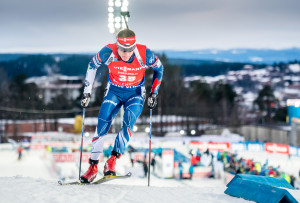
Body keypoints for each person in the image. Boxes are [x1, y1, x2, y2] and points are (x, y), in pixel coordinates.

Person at [79, 28, 164, 183]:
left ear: (134, 46)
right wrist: (87, 92)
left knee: (128, 122)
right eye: (123, 49)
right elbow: (92, 66)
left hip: (135, 93)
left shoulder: (144, 53)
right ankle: (93, 167)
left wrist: (154, 93)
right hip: (114, 91)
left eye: (130, 49)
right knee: (102, 121)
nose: (126, 53)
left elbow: (159, 69)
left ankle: (112, 160)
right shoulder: (108, 51)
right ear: (117, 45)